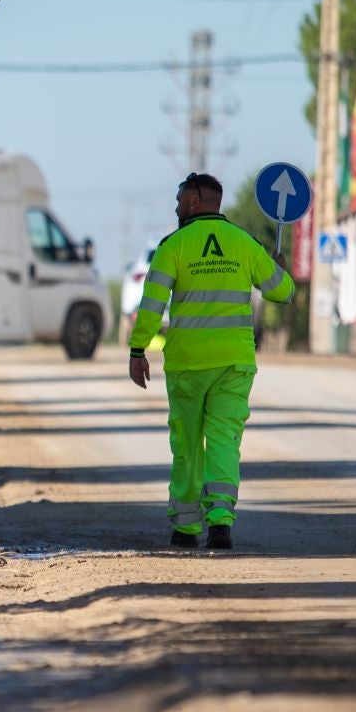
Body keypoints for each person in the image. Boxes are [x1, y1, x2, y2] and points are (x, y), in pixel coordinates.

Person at [128, 172, 295, 550]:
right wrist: (279, 267)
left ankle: (186, 528)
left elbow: (151, 306)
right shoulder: (245, 243)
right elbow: (281, 292)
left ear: (194, 202)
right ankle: (220, 523)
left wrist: (138, 351)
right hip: (234, 365)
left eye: (179, 201)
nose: (176, 208)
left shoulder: (174, 246)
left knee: (187, 444)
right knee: (223, 442)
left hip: (187, 366)